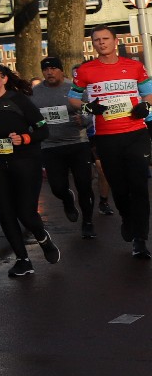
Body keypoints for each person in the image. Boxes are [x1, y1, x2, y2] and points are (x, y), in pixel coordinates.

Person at [71, 26, 152, 259]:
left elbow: (148, 92)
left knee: (139, 186)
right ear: (93, 44)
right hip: (107, 138)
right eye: (97, 40)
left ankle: (140, 239)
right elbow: (73, 98)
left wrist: (145, 105)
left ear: (115, 41)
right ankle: (126, 217)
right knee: (119, 187)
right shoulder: (85, 70)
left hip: (136, 133)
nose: (101, 42)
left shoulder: (134, 66)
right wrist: (88, 107)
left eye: (105, 38)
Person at [0, 61, 57, 277]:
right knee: (6, 213)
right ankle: (22, 260)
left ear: (4, 78)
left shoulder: (19, 101)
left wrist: (24, 138)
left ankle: (43, 238)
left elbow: (43, 130)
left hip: (25, 162)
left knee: (26, 213)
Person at [34, 55, 95, 238]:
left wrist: (83, 120)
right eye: (46, 69)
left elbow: (90, 112)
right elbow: (30, 118)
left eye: (53, 68)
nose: (49, 72)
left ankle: (88, 222)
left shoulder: (74, 89)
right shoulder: (34, 94)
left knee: (84, 185)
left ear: (61, 70)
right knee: (57, 187)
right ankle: (67, 199)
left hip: (77, 143)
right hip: (50, 146)